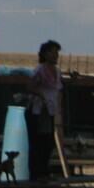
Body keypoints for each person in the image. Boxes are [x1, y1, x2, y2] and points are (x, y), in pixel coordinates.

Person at [26, 40, 64, 180]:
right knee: (37, 143)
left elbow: (58, 88)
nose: (56, 55)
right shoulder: (40, 70)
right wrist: (40, 95)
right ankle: (35, 174)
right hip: (37, 110)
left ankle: (44, 172)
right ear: (45, 54)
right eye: (53, 52)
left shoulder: (57, 72)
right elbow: (30, 87)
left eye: (57, 53)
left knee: (48, 143)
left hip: (49, 111)